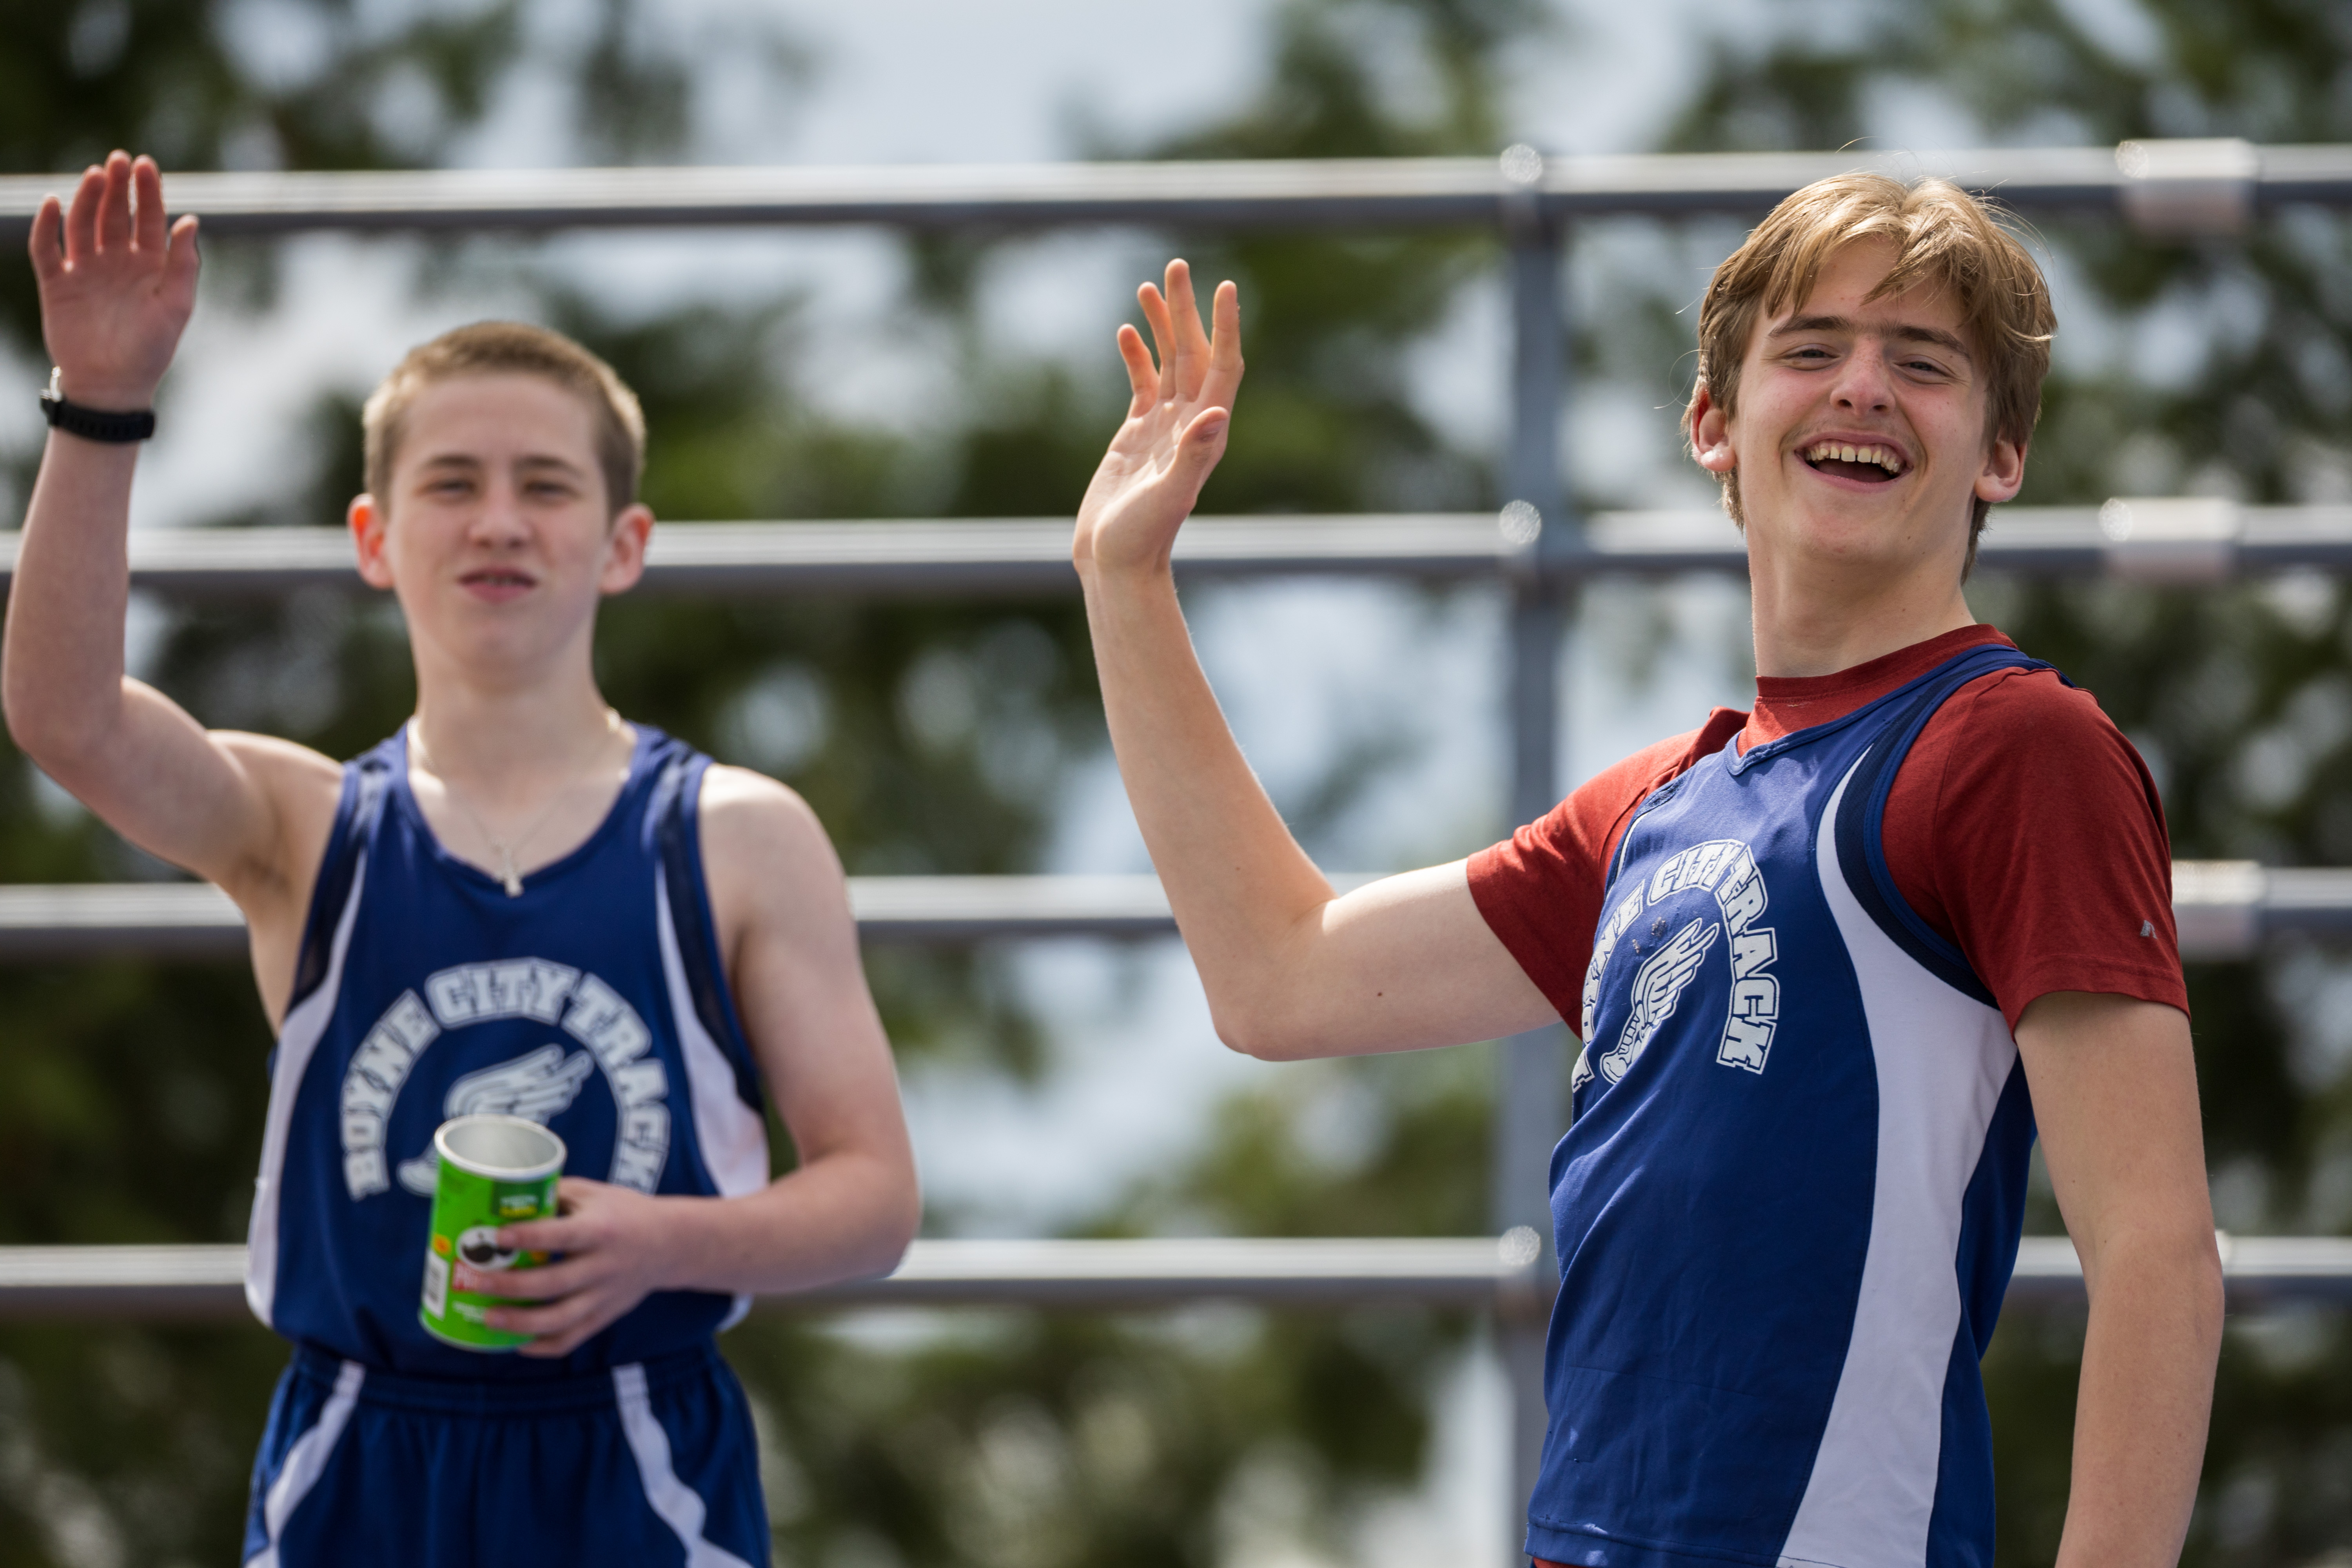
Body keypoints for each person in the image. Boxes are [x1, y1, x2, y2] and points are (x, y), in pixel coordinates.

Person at [1072, 173, 2223, 1566]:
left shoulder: (2016, 747)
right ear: (1713, 424)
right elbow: (1278, 976)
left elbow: (2157, 1257)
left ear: (2002, 455)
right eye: (1812, 348)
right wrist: (1124, 584)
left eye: (1924, 364)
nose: (1864, 387)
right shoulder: (1654, 808)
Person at [7, 152, 920, 1568]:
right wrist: (98, 404)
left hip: (638, 1457)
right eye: (452, 483)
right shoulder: (307, 825)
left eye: (546, 485)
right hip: (358, 1457)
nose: (499, 519)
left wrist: (665, 1242)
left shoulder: (735, 835)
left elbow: (874, 1199)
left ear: (624, 544)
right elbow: (67, 721)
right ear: (374, 539)